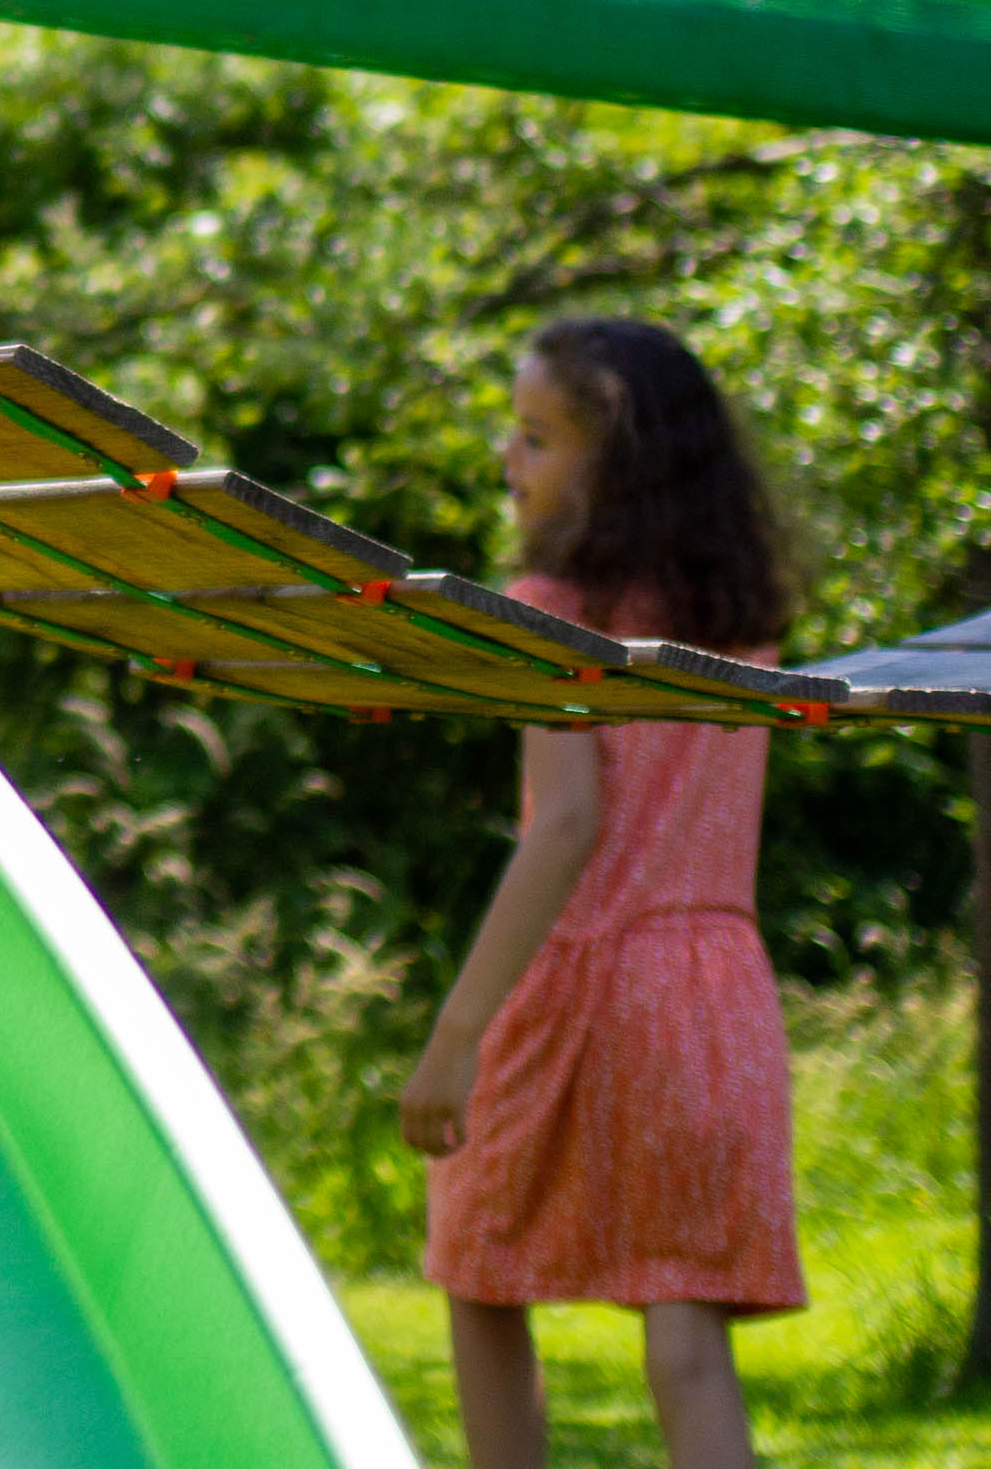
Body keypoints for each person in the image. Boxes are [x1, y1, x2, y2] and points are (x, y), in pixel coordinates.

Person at [400, 317, 804, 1469]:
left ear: (612, 459)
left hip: (583, 982)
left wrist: (455, 1036)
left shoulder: (551, 611)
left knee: (478, 1265)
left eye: (535, 438)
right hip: (718, 990)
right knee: (685, 1332)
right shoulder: (741, 614)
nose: (507, 460)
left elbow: (567, 825)